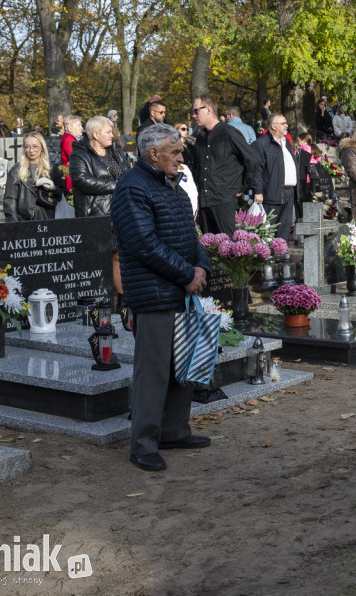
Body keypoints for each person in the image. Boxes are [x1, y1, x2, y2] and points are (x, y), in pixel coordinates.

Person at [111, 123, 211, 472]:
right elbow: (142, 243)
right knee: (153, 371)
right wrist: (187, 275)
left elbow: (190, 234)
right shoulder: (132, 187)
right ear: (154, 153)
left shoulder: (173, 186)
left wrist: (201, 267)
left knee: (181, 365)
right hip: (154, 292)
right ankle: (143, 443)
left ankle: (173, 430)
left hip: (180, 289)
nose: (182, 158)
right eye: (176, 151)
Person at [70, 115, 133, 298]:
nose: (112, 135)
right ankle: (97, 302)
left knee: (118, 256)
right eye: (108, 132)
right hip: (94, 214)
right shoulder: (79, 154)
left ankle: (122, 303)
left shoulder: (117, 153)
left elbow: (128, 175)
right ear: (95, 134)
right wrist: (115, 185)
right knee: (96, 259)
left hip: (119, 212)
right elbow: (81, 180)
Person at [187, 94, 259, 236]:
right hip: (204, 199)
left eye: (196, 111)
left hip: (224, 198)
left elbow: (252, 160)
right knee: (208, 244)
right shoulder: (200, 137)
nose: (194, 115)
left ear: (208, 109)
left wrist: (242, 186)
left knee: (227, 246)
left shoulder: (229, 133)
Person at [251, 114, 298, 240]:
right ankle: (267, 257)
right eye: (283, 123)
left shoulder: (286, 142)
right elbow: (256, 170)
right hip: (272, 191)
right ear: (273, 126)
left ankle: (282, 256)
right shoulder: (261, 144)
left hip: (289, 192)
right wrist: (258, 191)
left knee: (284, 228)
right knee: (268, 229)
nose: (286, 125)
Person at [3, 132, 62, 222]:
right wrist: (14, 226)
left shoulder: (52, 169)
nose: (31, 150)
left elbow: (62, 195)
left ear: (42, 147)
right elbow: (10, 200)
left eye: (35, 146)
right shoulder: (17, 170)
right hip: (25, 220)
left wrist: (53, 188)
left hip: (50, 218)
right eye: (27, 146)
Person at [60, 115, 83, 192]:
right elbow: (74, 157)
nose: (81, 128)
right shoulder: (69, 140)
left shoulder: (70, 138)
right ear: (70, 128)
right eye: (79, 125)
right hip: (71, 177)